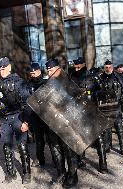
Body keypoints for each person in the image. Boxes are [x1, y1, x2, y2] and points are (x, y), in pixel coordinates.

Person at [0, 57, 31, 184]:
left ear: (9, 67)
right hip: (4, 119)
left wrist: (26, 122)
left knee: (22, 146)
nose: (1, 71)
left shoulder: (19, 82)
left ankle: (26, 173)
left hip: (18, 117)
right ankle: (11, 173)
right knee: (7, 147)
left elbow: (27, 104)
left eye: (3, 68)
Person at [70, 57, 108, 173]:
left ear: (83, 64)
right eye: (74, 66)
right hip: (77, 110)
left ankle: (103, 162)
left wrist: (92, 94)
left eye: (78, 66)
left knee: (98, 136)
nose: (76, 68)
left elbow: (103, 91)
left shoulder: (92, 76)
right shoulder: (71, 76)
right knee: (79, 135)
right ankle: (80, 159)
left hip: (92, 109)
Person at [45, 58, 79, 188]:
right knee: (55, 148)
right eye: (48, 71)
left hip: (67, 122)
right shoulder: (48, 84)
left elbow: (76, 102)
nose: (49, 73)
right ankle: (61, 173)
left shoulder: (69, 82)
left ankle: (72, 175)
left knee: (69, 149)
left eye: (52, 70)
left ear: (58, 69)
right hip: (52, 121)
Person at [92, 60, 123, 155]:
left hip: (116, 106)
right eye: (106, 67)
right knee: (106, 127)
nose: (108, 69)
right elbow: (94, 90)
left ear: (112, 67)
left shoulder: (118, 76)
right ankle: (107, 146)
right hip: (105, 106)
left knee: (119, 127)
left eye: (109, 67)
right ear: (104, 68)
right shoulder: (100, 78)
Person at [27, 63, 48, 167]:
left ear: (39, 71)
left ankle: (57, 161)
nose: (32, 75)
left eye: (34, 73)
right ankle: (40, 159)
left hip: (47, 115)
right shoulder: (28, 85)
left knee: (51, 140)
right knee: (39, 139)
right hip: (35, 116)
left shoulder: (46, 83)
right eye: (31, 73)